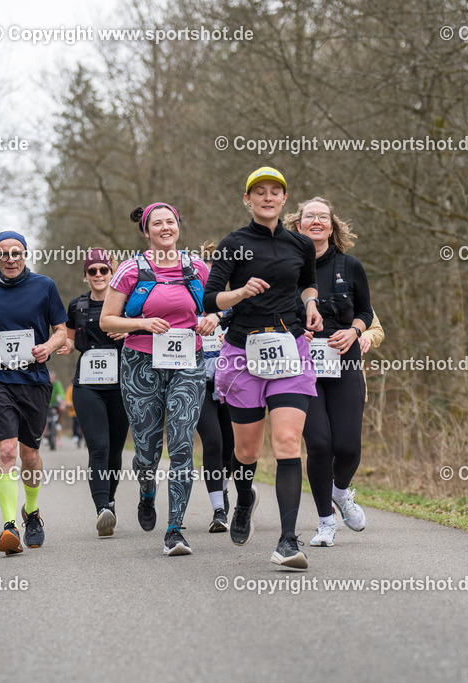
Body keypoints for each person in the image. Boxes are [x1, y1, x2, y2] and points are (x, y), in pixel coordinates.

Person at [203, 167, 321, 569]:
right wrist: (241, 291)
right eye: (260, 192)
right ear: (247, 199)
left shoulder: (301, 244)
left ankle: (288, 542)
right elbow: (210, 299)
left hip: (289, 348)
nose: (268, 198)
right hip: (241, 353)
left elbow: (308, 283)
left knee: (288, 442)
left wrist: (310, 304)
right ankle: (245, 497)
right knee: (246, 450)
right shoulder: (233, 244)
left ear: (284, 199)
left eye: (275, 192)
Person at [100, 204, 214, 556]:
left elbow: (217, 306)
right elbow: (107, 321)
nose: (165, 227)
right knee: (147, 451)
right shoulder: (130, 270)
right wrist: (141, 323)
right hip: (140, 363)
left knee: (181, 443)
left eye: (170, 222)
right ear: (146, 232)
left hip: (187, 362)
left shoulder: (197, 268)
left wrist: (212, 318)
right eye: (157, 223)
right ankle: (146, 490)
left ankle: (175, 529)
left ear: (178, 227)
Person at [0, 230, 69, 555]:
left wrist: (48, 347)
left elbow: (61, 332)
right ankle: (10, 526)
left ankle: (33, 511)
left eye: (16, 253)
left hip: (35, 381)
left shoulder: (44, 286)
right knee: (8, 452)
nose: (10, 259)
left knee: (29, 454)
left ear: (25, 254)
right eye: (3, 253)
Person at [288, 197, 374, 547]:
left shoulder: (350, 265)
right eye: (311, 217)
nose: (317, 222)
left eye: (324, 217)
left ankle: (341, 492)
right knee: (319, 445)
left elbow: (366, 311)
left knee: (349, 447)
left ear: (332, 225)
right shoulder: (287, 267)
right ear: (299, 225)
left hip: (344, 362)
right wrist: (295, 331)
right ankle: (326, 522)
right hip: (301, 366)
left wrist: (354, 330)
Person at [64, 248, 129, 537]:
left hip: (122, 386)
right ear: (86, 276)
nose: (99, 275)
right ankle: (101, 507)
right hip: (88, 385)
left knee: (115, 451)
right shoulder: (76, 306)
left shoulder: (128, 304)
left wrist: (129, 332)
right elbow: (65, 335)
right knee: (99, 447)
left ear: (112, 272)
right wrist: (60, 345)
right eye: (93, 271)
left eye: (104, 269)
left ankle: (110, 502)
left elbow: (145, 331)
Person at [195, 241, 235, 533]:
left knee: (232, 450)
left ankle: (224, 485)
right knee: (213, 442)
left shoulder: (236, 306)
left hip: (232, 384)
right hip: (198, 382)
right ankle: (218, 509)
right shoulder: (187, 304)